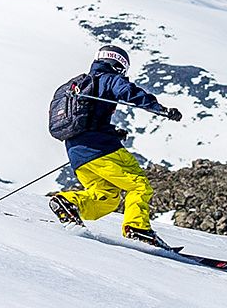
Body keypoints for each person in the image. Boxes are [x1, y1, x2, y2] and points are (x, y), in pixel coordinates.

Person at [48, 45, 184, 245]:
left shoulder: (80, 84)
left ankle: (69, 203)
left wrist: (111, 132)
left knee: (106, 196)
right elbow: (129, 92)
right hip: (102, 149)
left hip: (77, 153)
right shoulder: (109, 78)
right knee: (139, 185)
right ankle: (137, 229)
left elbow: (88, 119)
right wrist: (161, 109)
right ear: (119, 65)